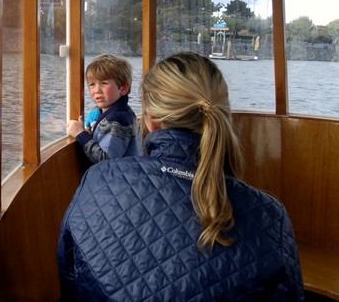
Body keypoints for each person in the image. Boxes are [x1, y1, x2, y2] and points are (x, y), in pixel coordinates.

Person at [57, 52, 303, 300]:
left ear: (151, 120)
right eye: (93, 84)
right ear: (223, 115)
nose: (96, 90)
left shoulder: (97, 180)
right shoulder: (271, 215)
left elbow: (70, 280)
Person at [65, 54, 141, 163]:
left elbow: (106, 161)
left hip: (118, 178)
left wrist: (80, 134)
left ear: (123, 88)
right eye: (92, 84)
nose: (97, 90)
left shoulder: (117, 120)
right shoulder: (121, 111)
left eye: (104, 83)